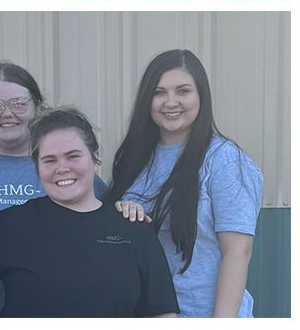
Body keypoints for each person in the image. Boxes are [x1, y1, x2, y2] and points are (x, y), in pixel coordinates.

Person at [0, 109, 178, 317]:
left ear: (95, 158)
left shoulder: (134, 228)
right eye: (49, 160)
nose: (62, 168)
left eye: (73, 156)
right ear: (37, 168)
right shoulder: (13, 225)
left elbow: (162, 313)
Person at [107, 49, 264, 317]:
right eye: (159, 92)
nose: (171, 102)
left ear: (201, 95)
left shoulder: (224, 160)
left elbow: (237, 253)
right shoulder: (133, 159)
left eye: (182, 91)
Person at [0, 62, 107, 316]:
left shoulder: (66, 167)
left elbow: (106, 222)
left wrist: (126, 206)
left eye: (19, 103)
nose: (7, 113)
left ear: (38, 107)